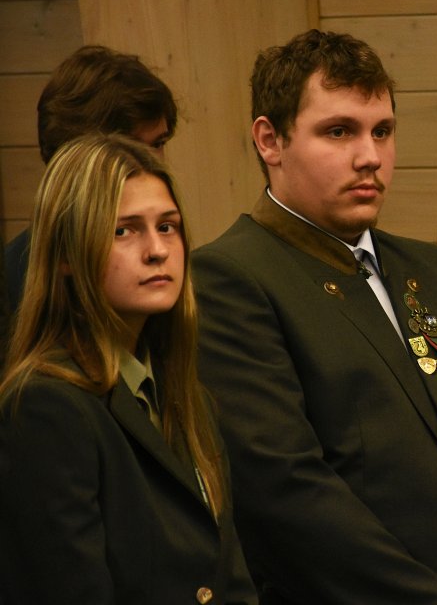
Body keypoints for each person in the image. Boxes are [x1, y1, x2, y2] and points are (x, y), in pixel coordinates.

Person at [191, 30, 437, 604]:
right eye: (339, 131)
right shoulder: (229, 277)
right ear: (270, 140)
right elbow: (285, 490)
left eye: (382, 131)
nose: (369, 157)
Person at [0, 134, 255, 604]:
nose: (157, 250)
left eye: (168, 226)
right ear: (66, 255)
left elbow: (228, 576)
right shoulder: (46, 406)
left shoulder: (186, 395)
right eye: (124, 230)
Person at [3, 44, 177, 313]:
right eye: (128, 149)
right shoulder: (13, 287)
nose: (149, 165)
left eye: (158, 144)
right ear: (74, 161)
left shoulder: (167, 254)